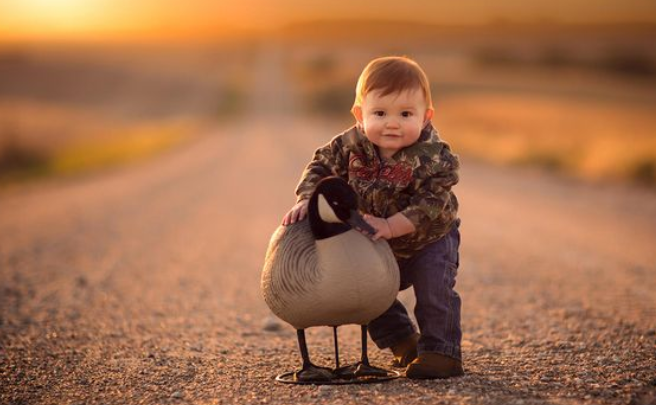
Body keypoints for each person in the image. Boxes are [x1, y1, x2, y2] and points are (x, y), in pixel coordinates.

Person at [282, 56, 463, 379]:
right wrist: (308, 197)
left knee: (434, 292)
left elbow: (432, 202)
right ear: (359, 115)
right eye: (379, 113)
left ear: (426, 117)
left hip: (428, 240)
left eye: (406, 114)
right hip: (375, 237)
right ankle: (404, 342)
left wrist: (393, 226)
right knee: (367, 292)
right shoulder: (349, 145)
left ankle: (441, 351)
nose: (392, 123)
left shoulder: (435, 155)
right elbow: (320, 167)